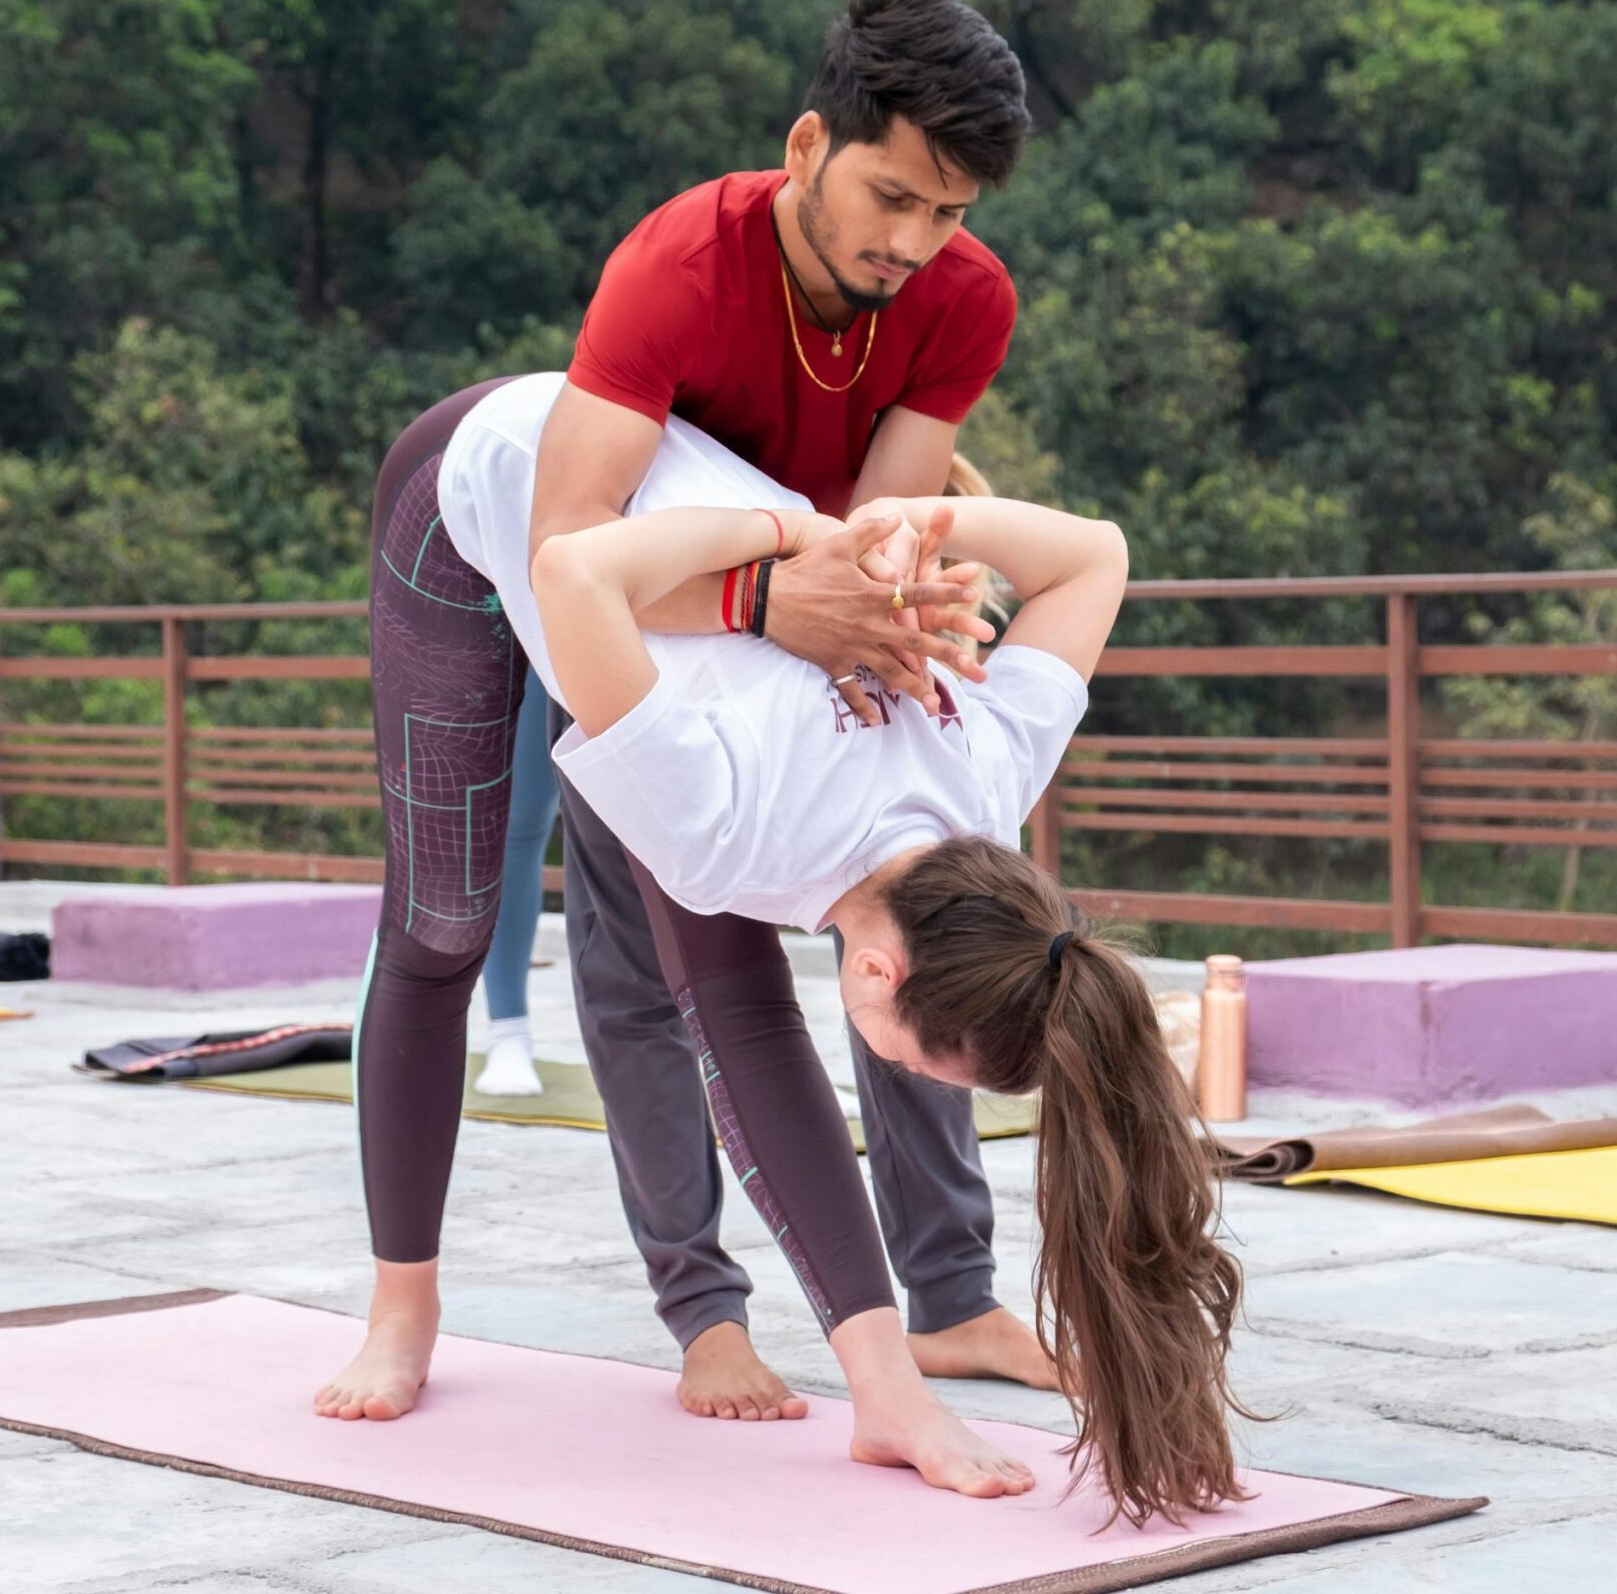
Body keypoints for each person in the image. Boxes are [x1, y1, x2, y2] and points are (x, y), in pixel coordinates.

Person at [320, 373, 1247, 1526]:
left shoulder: (989, 789)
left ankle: (887, 1390)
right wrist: (807, 539)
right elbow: (568, 565)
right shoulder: (729, 822)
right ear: (877, 973)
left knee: (729, 1007)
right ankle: (400, 1310)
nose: (899, 1074)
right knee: (442, 926)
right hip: (493, 472)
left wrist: (925, 526)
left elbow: (1093, 557)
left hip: (654, 568)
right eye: (918, 1061)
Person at [534, 0, 1052, 1422]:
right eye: (890, 195)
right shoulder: (674, 270)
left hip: (820, 617)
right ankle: (702, 1309)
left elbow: (886, 531)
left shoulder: (964, 296)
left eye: (947, 212)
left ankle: (949, 1296)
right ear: (811, 142)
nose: (912, 241)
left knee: (936, 910)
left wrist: (929, 601)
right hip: (647, 622)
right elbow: (563, 554)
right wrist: (768, 602)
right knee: (647, 968)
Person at [473, 678, 558, 1097]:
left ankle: (662, 1027)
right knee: (520, 820)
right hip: (525, 622)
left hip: (649, 625)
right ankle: (508, 1031)